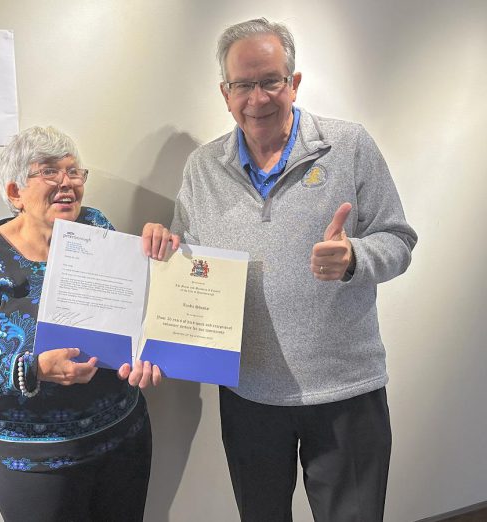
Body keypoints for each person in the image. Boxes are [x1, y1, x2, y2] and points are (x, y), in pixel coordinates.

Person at [171, 18, 418, 522]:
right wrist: (165, 252)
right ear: (225, 92)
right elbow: (189, 265)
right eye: (243, 84)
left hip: (346, 389)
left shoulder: (348, 146)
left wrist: (355, 259)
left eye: (271, 81)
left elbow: (398, 240)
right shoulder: (202, 167)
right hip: (248, 393)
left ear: (294, 83)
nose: (257, 98)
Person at [0, 126, 178, 522]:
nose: (66, 183)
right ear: (14, 194)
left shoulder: (94, 227)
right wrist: (31, 369)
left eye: (74, 172)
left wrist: (158, 250)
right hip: (36, 462)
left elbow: (129, 310)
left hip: (123, 437)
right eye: (49, 172)